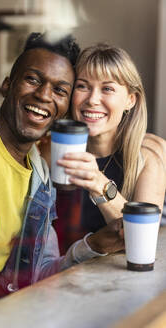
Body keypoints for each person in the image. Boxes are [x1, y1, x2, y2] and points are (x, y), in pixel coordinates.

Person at [0, 33, 124, 322]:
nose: (44, 95)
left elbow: (39, 274)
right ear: (8, 84)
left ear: (65, 107)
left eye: (60, 90)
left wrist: (94, 246)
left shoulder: (40, 181)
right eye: (32, 79)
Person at [55, 42, 166, 236]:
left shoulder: (149, 154)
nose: (92, 99)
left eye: (107, 89)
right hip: (67, 264)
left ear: (130, 100)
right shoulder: (53, 147)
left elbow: (142, 237)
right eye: (82, 86)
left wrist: (98, 183)